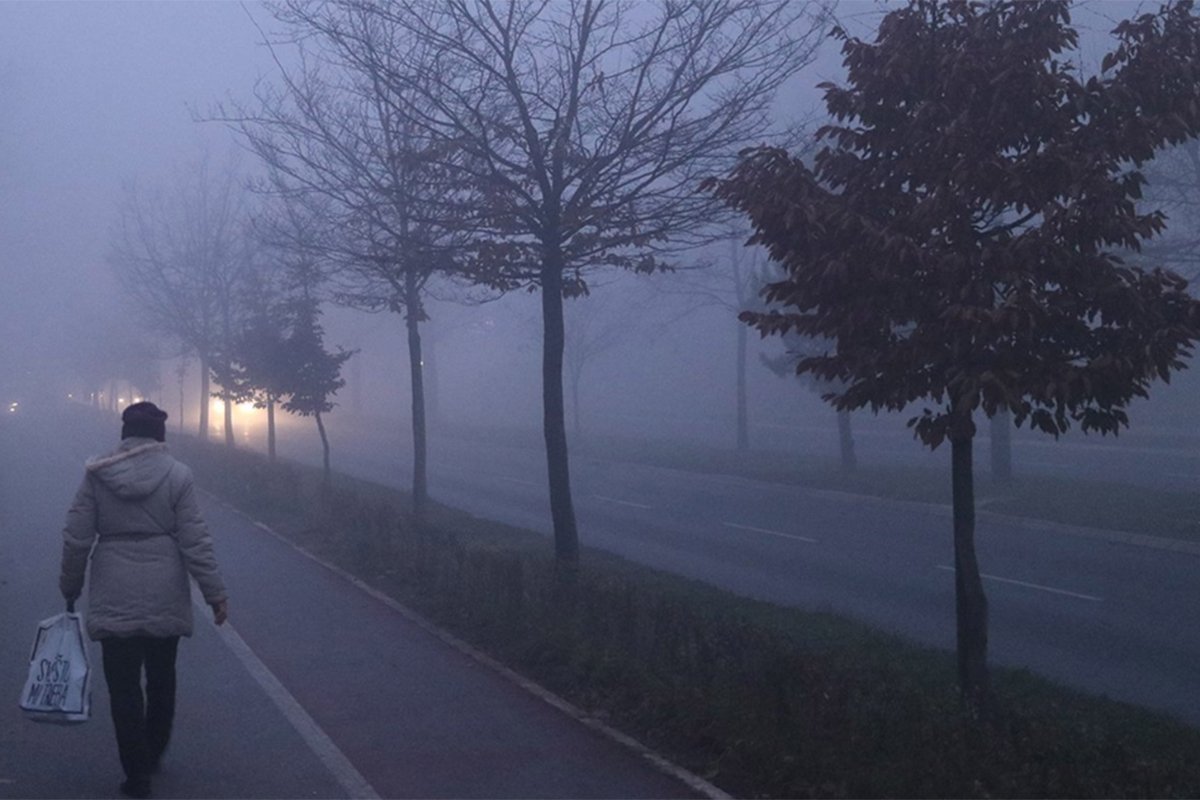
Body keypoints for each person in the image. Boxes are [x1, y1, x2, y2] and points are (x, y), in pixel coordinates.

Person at [60, 401, 229, 799]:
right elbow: (196, 540)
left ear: (125, 434)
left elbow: (77, 537)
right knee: (162, 677)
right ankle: (153, 752)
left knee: (123, 688)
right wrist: (215, 594)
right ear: (159, 435)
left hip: (113, 588)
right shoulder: (178, 475)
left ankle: (136, 774)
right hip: (164, 588)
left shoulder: (97, 475)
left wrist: (70, 586)